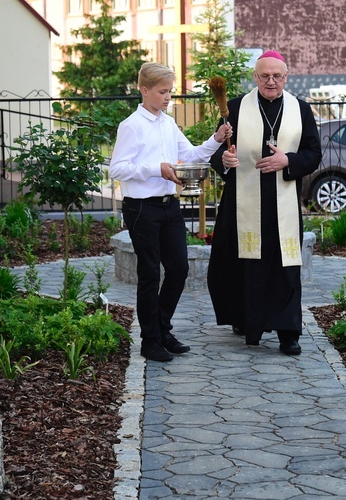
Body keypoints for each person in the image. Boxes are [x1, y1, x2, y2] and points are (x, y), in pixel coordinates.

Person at [110, 62, 232, 362]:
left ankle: (162, 329)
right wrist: (157, 169)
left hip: (169, 207)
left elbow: (189, 155)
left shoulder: (167, 123)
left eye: (170, 92)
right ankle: (150, 341)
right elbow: (117, 168)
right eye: (162, 92)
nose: (167, 98)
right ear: (144, 90)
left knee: (179, 269)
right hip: (141, 208)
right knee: (150, 274)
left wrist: (215, 141)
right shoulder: (131, 126)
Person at [207, 50, 322, 355]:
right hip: (242, 202)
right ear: (255, 77)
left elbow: (314, 153)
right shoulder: (234, 108)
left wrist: (288, 160)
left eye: (277, 76)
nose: (271, 81)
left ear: (286, 76)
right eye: (264, 76)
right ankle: (246, 322)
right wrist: (226, 160)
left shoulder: (302, 110)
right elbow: (217, 151)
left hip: (282, 203)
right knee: (244, 261)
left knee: (285, 265)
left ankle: (288, 333)